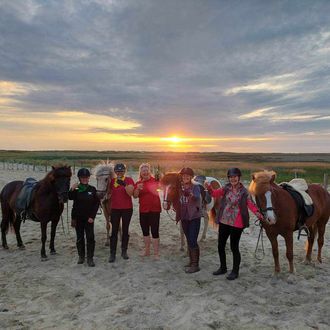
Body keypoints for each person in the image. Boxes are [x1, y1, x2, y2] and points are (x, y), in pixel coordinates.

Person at [205, 168, 263, 280]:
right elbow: (214, 193)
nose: (233, 179)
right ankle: (223, 268)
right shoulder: (226, 188)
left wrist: (260, 215)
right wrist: (208, 188)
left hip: (237, 223)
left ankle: (235, 271)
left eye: (235, 176)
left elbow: (251, 205)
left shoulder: (244, 192)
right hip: (224, 220)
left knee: (234, 247)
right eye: (231, 177)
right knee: (220, 245)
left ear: (239, 177)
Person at [69, 168, 99, 267]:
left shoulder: (92, 189)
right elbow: (69, 197)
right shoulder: (77, 189)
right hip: (78, 217)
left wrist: (92, 216)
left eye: (86, 177)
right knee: (80, 238)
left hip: (89, 218)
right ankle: (81, 256)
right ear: (79, 178)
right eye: (83, 177)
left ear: (88, 178)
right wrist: (72, 188)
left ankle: (90, 258)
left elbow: (96, 204)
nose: (85, 179)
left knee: (90, 238)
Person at [178, 167, 207, 273]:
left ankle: (195, 265)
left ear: (191, 177)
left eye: (187, 175)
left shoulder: (195, 187)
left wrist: (190, 194)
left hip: (194, 217)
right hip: (184, 217)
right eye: (183, 175)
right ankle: (191, 261)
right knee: (189, 239)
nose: (185, 177)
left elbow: (196, 197)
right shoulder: (179, 187)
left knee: (192, 240)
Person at [133, 163, 161, 259]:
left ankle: (156, 253)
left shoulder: (155, 180)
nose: (145, 172)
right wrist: (137, 189)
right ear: (140, 172)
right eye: (143, 170)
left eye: (146, 170)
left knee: (155, 231)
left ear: (149, 171)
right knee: (145, 231)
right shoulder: (138, 183)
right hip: (143, 210)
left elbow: (161, 188)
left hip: (155, 209)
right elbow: (135, 196)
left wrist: (160, 180)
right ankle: (147, 251)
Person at [108, 163, 134, 263]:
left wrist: (124, 184)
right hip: (115, 208)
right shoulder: (112, 181)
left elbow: (130, 193)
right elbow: (109, 192)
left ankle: (124, 251)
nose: (119, 173)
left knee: (125, 230)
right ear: (115, 172)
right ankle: (112, 253)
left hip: (127, 208)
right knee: (114, 231)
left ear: (124, 171)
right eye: (118, 171)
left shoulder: (129, 180)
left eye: (121, 171)